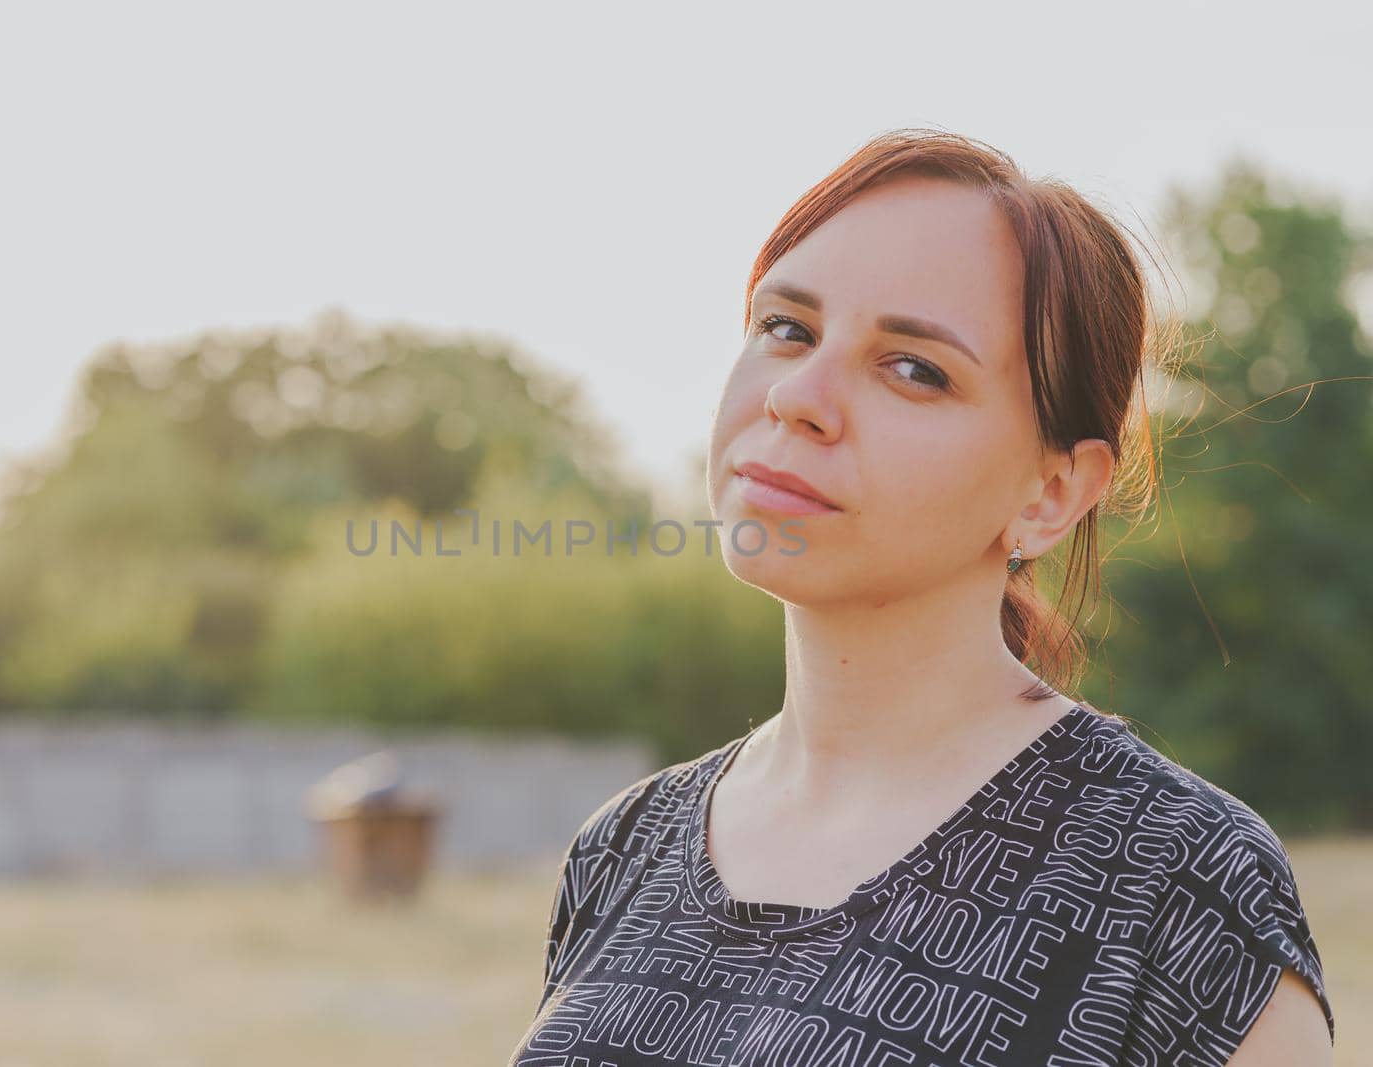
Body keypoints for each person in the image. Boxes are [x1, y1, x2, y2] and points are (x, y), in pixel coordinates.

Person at [508, 129, 1334, 1066]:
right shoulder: (623, 847)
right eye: (787, 327)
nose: (800, 397)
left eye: (914, 368)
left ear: (1053, 492)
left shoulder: (1175, 881)